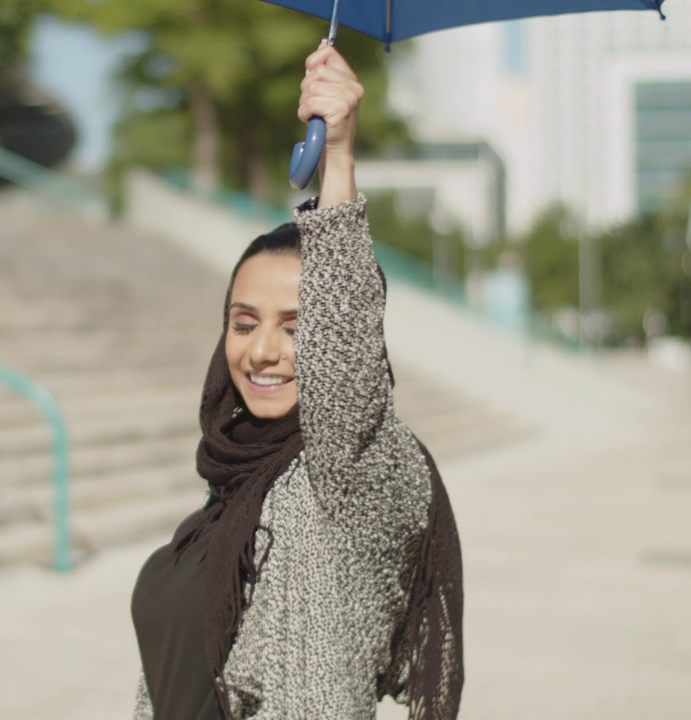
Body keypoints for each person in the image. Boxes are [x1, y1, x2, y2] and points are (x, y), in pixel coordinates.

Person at [130, 41, 464, 720]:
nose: (265, 351)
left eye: (297, 324)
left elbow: (342, 364)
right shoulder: (234, 487)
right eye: (244, 322)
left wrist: (338, 156)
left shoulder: (356, 472)